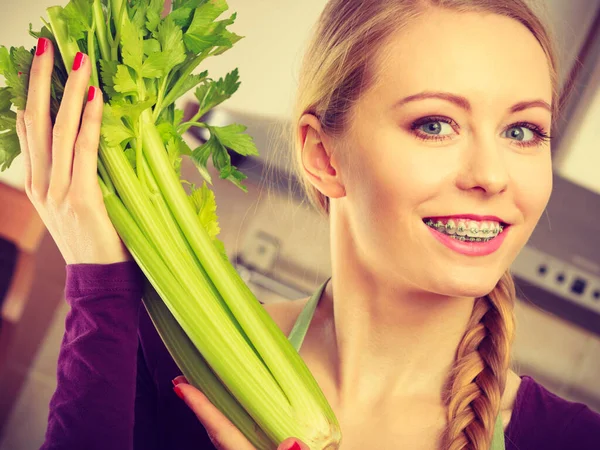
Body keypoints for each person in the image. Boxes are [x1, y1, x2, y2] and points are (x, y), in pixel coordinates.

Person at [15, 0, 600, 449]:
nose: (491, 176)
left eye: (522, 131)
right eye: (434, 124)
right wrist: (97, 277)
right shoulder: (181, 368)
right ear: (323, 156)